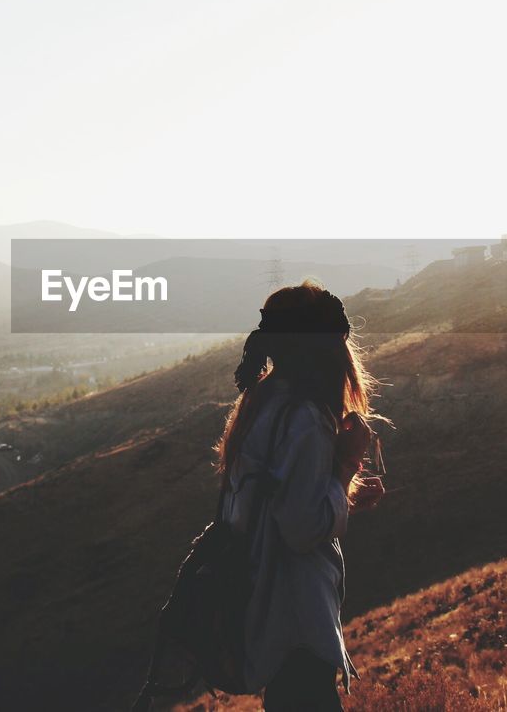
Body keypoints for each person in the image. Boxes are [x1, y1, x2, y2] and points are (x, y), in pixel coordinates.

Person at [213, 281, 389, 711]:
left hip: (265, 608)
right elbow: (301, 528)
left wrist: (341, 492)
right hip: (295, 618)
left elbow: (281, 504)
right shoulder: (306, 418)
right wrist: (346, 465)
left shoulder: (263, 402)